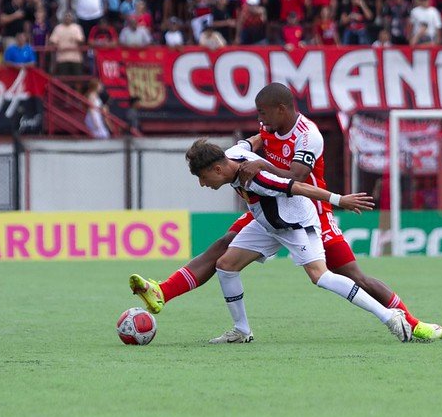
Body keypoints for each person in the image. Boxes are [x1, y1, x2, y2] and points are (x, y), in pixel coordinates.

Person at [130, 83, 442, 342]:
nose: (261, 121)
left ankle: (409, 321)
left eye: (263, 115)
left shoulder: (309, 136)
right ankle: (173, 298)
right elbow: (251, 144)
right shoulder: (250, 147)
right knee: (224, 253)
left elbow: (293, 180)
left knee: (347, 275)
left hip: (307, 212)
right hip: (267, 212)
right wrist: (248, 151)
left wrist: (335, 198)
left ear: (282, 110)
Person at [162, 139, 416, 344]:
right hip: (266, 224)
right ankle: (241, 330)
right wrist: (266, 130)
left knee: (321, 277)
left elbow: (299, 187)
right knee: (226, 264)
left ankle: (388, 316)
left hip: (296, 225)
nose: (203, 184)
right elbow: (252, 142)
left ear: (218, 169)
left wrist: (339, 200)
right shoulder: (234, 153)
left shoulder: (258, 179)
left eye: (203, 177)